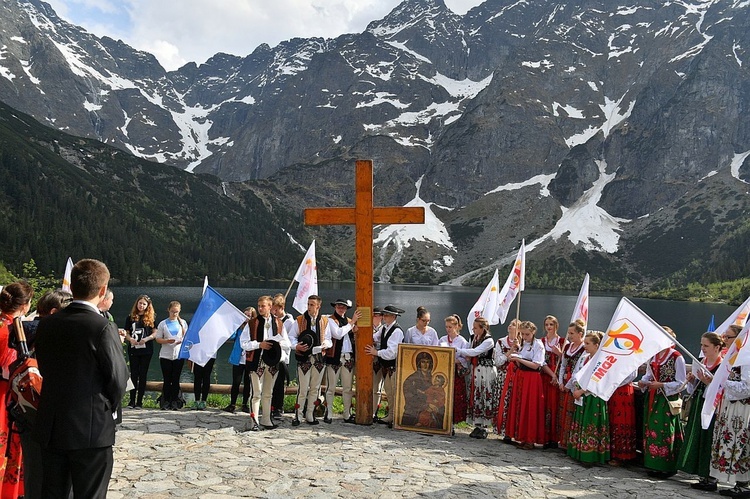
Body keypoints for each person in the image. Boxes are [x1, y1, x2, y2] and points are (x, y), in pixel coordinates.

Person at [34, 259, 129, 498]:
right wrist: (109, 407)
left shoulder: (47, 324)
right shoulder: (102, 327)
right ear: (102, 290)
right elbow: (118, 378)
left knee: (53, 492)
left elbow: (44, 367)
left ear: (72, 287)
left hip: (52, 423)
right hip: (92, 428)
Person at [11, 289, 72, 499]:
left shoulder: (22, 331)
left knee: (34, 476)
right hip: (48, 414)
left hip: (26, 413)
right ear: (54, 312)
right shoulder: (51, 334)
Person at [638, 326, 686, 479]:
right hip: (653, 397)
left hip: (666, 399)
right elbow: (648, 375)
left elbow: (681, 382)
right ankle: (652, 464)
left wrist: (662, 385)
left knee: (664, 431)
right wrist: (643, 382)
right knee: (651, 429)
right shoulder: (654, 356)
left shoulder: (676, 357)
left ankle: (666, 466)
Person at [678, 332, 723, 491]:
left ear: (717, 347)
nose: (702, 349)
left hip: (711, 406)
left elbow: (721, 389)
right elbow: (694, 389)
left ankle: (709, 476)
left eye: (706, 346)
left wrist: (707, 382)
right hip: (698, 403)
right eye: (701, 345)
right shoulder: (702, 362)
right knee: (696, 435)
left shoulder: (722, 365)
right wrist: (693, 380)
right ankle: (699, 473)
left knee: (708, 439)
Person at [0, 281, 33, 498]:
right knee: (8, 446)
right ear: (25, 305)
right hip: (5, 394)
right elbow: (11, 367)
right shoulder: (11, 331)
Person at [709, 331, 750, 497]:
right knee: (733, 443)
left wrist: (723, 382)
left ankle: (742, 483)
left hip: (742, 409)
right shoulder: (735, 357)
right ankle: (739, 483)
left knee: (742, 444)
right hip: (730, 407)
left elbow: (747, 388)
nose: (725, 340)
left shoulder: (746, 360)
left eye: (728, 337)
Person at [241, 295, 290, 430]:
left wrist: (278, 342)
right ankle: (254, 420)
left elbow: (287, 342)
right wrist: (259, 345)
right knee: (256, 393)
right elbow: (243, 343)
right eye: (259, 306)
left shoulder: (279, 323)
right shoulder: (252, 324)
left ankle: (266, 419)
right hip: (256, 361)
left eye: (263, 306)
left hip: (273, 361)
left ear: (270, 307)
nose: (260, 308)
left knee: (268, 393)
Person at [566, 331, 610, 464]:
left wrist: (582, 391)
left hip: (593, 396)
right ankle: (579, 452)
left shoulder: (601, 360)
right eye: (584, 343)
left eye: (587, 343)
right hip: (581, 395)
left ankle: (590, 456)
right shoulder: (585, 357)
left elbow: (599, 380)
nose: (585, 346)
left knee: (591, 424)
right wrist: (574, 387)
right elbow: (577, 373)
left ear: (597, 345)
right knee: (581, 422)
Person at [288, 294, 332, 425]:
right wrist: (296, 346)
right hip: (304, 359)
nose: (309, 307)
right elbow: (291, 337)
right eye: (308, 304)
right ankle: (298, 415)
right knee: (302, 389)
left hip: (319, 359)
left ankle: (310, 414)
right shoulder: (300, 320)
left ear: (318, 306)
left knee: (315, 388)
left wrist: (326, 344)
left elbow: (328, 338)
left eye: (312, 304)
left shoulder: (324, 321)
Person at [504, 321, 545, 449]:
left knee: (530, 406)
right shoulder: (522, 343)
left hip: (532, 378)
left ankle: (530, 438)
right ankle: (521, 435)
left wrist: (519, 359)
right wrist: (515, 353)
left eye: (527, 334)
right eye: (523, 334)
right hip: (521, 376)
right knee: (520, 405)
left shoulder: (538, 345)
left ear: (533, 332)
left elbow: (536, 365)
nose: (525, 336)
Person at [365, 305, 405, 428]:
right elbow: (374, 337)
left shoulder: (397, 331)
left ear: (393, 317)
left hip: (394, 367)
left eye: (386, 315)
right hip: (387, 367)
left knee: (394, 393)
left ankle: (395, 417)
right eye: (383, 315)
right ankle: (391, 416)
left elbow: (392, 353)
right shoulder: (384, 329)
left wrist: (376, 353)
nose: (383, 317)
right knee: (389, 392)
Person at [457, 317, 496, 439]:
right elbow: (469, 350)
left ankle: (485, 426)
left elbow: (474, 351)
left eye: (475, 328)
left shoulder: (489, 341)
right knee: (476, 395)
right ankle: (477, 424)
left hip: (486, 370)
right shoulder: (473, 337)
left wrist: (457, 349)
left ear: (482, 328)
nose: (473, 330)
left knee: (485, 395)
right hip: (475, 369)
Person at [323, 299, 360, 423]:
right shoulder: (330, 320)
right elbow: (338, 334)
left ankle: (347, 414)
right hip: (334, 358)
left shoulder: (349, 322)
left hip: (348, 357)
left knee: (347, 388)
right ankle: (328, 413)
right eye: (339, 306)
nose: (341, 309)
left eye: (343, 307)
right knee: (331, 387)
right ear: (335, 307)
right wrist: (352, 323)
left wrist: (354, 331)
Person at [124, 294, 157, 408]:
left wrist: (147, 339)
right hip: (134, 349)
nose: (141, 306)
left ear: (148, 305)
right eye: (140, 303)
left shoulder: (151, 318)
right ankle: (131, 400)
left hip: (146, 349)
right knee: (133, 374)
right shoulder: (131, 317)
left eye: (144, 304)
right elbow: (126, 332)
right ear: (136, 304)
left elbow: (155, 332)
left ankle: (139, 401)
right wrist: (130, 340)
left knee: (143, 374)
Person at [557, 320, 586, 447]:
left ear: (580, 334)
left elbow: (578, 369)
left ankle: (570, 442)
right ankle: (562, 440)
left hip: (574, 384)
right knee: (563, 412)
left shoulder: (584, 349)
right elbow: (563, 365)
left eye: (572, 333)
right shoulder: (568, 347)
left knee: (571, 413)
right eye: (569, 333)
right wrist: (560, 382)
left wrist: (568, 385)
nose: (569, 336)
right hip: (565, 382)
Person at [155, 301, 188, 410]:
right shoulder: (163, 323)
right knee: (167, 379)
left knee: (176, 379)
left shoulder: (183, 323)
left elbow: (186, 339)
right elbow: (158, 339)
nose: (174, 314)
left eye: (177, 312)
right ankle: (166, 401)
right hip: (165, 355)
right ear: (168, 310)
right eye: (173, 311)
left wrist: (181, 341)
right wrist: (167, 341)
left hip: (178, 355)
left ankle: (175, 400)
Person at [224, 306, 256, 414]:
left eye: (249, 315)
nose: (246, 317)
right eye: (245, 315)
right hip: (238, 359)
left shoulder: (254, 328)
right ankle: (232, 404)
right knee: (236, 382)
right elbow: (230, 337)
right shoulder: (239, 328)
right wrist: (235, 325)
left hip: (249, 359)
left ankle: (245, 404)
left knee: (248, 383)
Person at [438, 314, 469, 425]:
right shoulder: (442, 339)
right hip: (444, 370)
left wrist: (453, 359)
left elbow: (465, 358)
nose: (448, 329)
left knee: (455, 394)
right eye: (446, 327)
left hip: (456, 371)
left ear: (456, 327)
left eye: (450, 327)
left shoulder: (462, 341)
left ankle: (454, 420)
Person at [494, 318, 520, 441]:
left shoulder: (523, 343)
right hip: (503, 376)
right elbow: (498, 362)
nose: (510, 326)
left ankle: (514, 431)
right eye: (510, 324)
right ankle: (503, 431)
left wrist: (518, 349)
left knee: (514, 403)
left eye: (514, 325)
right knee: (503, 403)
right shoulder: (500, 342)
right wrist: (510, 351)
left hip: (516, 378)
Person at [540, 315, 564, 448]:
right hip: (545, 375)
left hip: (557, 375)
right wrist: (551, 375)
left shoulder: (562, 341)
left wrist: (560, 354)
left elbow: (567, 361)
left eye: (551, 324)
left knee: (554, 406)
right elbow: (540, 361)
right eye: (547, 324)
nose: (549, 327)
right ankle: (544, 436)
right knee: (544, 405)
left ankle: (554, 438)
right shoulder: (541, 341)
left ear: (556, 326)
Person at [270, 294, 293, 420]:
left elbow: (288, 340)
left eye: (276, 309)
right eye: (273, 309)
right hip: (272, 356)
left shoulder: (289, 321)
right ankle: (271, 406)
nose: (274, 312)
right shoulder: (272, 320)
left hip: (283, 357)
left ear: (282, 308)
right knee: (271, 383)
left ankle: (279, 407)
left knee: (280, 384)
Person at [401, 351, 436, 426]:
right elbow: (410, 398)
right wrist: (426, 406)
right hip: (413, 413)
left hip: (431, 411)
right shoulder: (411, 379)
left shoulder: (434, 379)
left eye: (428, 362)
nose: (425, 365)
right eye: (423, 362)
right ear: (419, 363)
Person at [371, 307, 386, 421]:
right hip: (366, 362)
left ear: (381, 316)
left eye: (377, 315)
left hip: (379, 361)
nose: (375, 317)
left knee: (377, 388)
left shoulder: (385, 329)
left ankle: (374, 412)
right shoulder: (366, 327)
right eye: (373, 315)